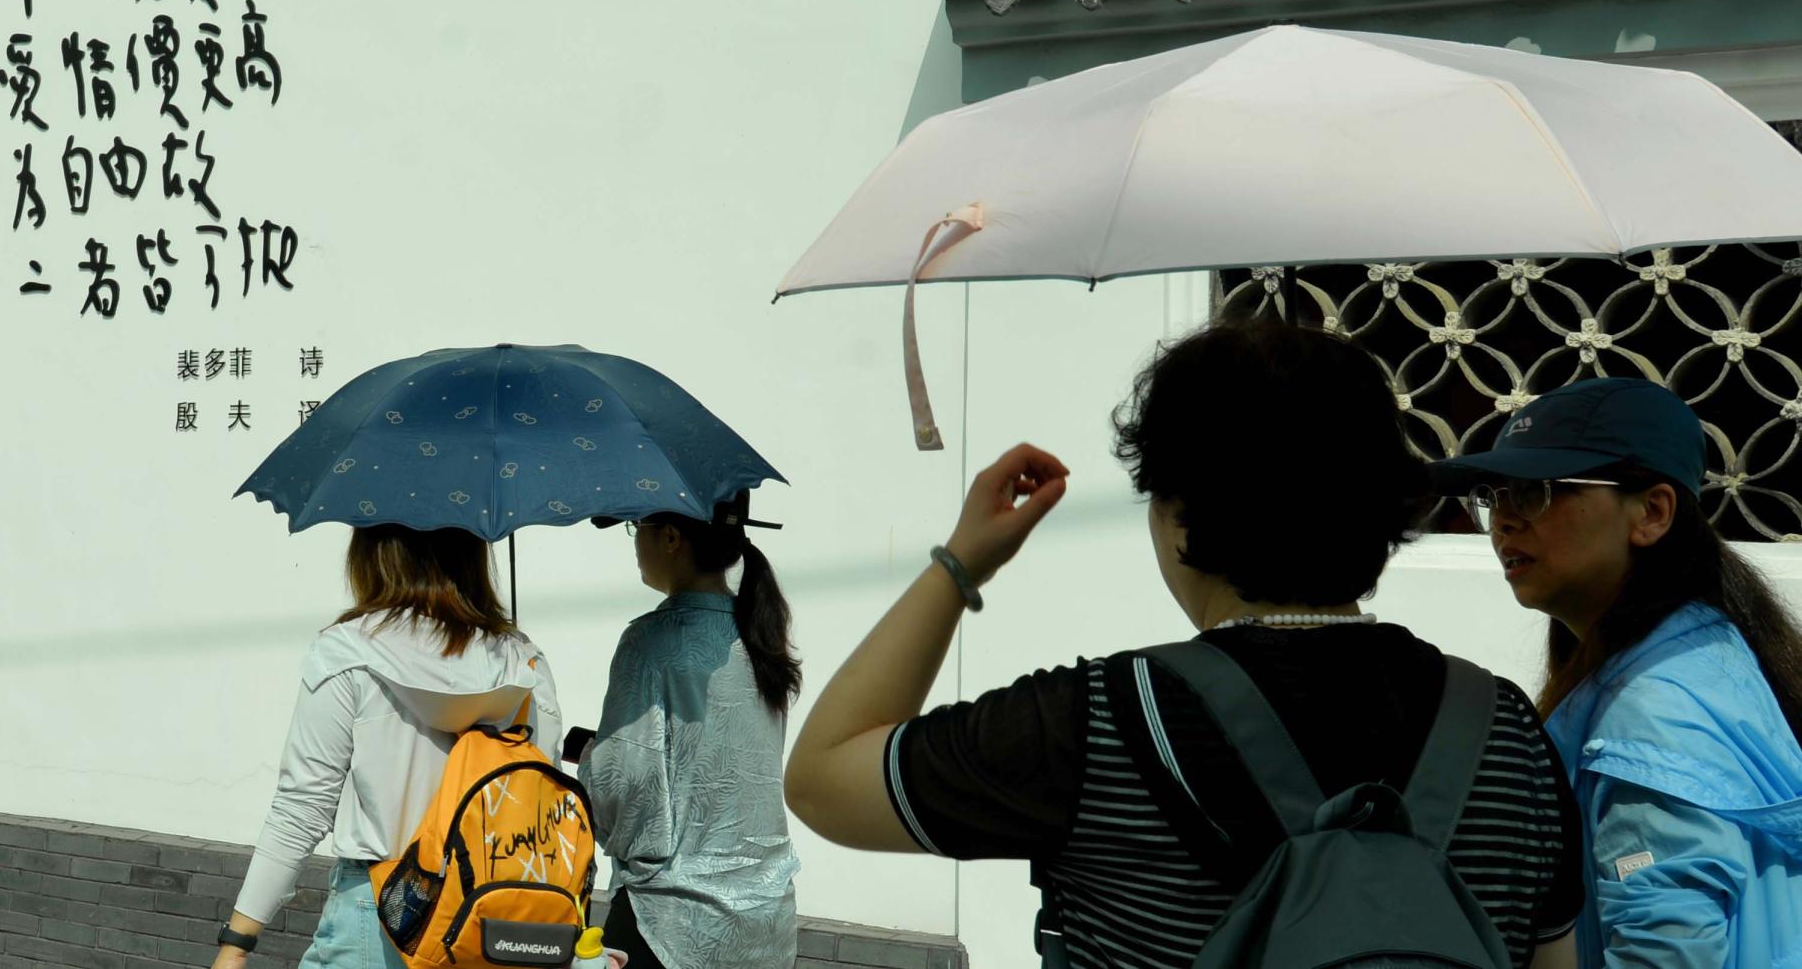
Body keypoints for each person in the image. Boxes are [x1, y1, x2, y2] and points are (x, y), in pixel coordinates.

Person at [783, 319, 1584, 968]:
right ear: (1384, 508)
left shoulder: (1098, 725)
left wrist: (961, 564)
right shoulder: (1508, 734)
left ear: (1176, 512)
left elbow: (823, 777)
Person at [1431, 377, 1802, 967]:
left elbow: (1668, 949)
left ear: (1652, 512)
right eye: (1493, 495)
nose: (1503, 521)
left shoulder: (1653, 709)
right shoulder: (1708, 651)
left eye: (1536, 492)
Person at [211, 524, 561, 969]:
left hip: (377, 907)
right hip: (492, 918)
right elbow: (544, 796)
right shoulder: (525, 662)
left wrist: (237, 942)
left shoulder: (348, 652)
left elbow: (302, 807)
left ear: (376, 552)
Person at [577, 491, 802, 969]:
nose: (634, 542)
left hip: (671, 924)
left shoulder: (649, 641)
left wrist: (590, 760)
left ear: (671, 538)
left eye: (636, 527)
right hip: (766, 926)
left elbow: (623, 786)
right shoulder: (761, 637)